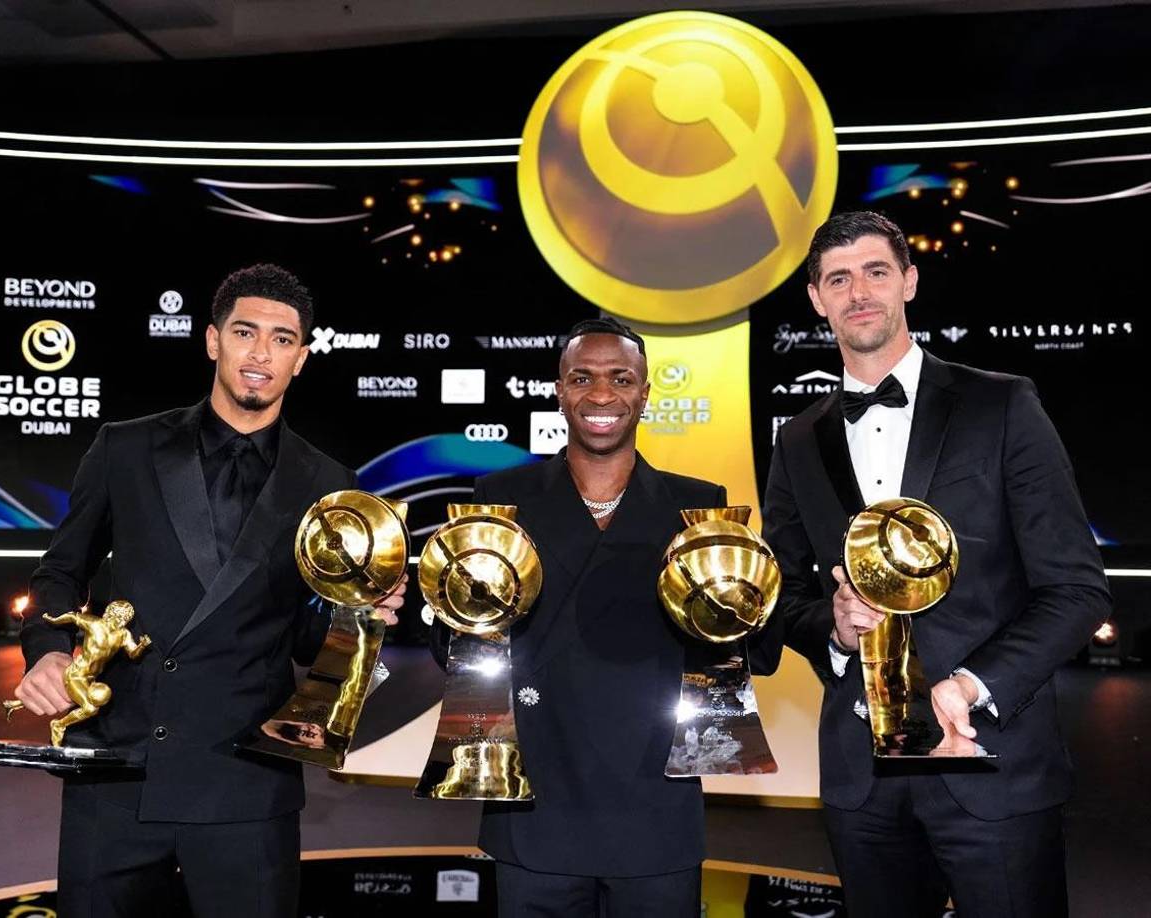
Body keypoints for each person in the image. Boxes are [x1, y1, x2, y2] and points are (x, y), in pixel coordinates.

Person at [12, 263, 404, 917]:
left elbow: (310, 638)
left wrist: (357, 618)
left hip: (246, 781)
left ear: (302, 358)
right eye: (246, 332)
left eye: (283, 340)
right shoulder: (125, 448)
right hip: (117, 770)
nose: (262, 353)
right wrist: (49, 649)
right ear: (212, 340)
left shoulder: (332, 484)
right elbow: (60, 570)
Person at [762, 211, 1111, 916]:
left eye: (876, 271)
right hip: (862, 781)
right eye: (838, 278)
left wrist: (970, 686)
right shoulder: (798, 440)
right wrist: (830, 629)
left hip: (991, 760)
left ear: (909, 282)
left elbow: (1076, 589)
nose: (858, 291)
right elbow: (784, 592)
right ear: (816, 299)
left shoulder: (1002, 405)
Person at [432, 316, 781, 917]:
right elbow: (457, 649)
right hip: (537, 802)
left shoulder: (700, 505)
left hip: (654, 806)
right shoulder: (500, 495)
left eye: (621, 378)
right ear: (559, 390)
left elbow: (745, 647)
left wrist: (761, 605)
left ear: (646, 392)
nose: (601, 395)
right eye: (582, 378)